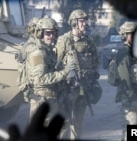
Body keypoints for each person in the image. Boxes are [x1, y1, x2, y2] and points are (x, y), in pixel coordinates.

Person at [24, 16, 76, 139]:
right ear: (41, 33)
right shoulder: (38, 53)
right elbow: (40, 79)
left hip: (52, 97)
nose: (51, 36)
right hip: (42, 99)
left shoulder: (48, 51)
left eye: (53, 33)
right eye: (47, 33)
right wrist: (64, 73)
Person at [55, 9, 102, 139]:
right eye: (82, 21)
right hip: (68, 90)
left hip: (84, 88)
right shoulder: (64, 40)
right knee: (64, 122)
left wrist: (94, 75)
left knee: (78, 122)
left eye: (86, 21)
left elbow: (96, 61)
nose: (85, 24)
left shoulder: (89, 42)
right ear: (74, 23)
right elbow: (56, 64)